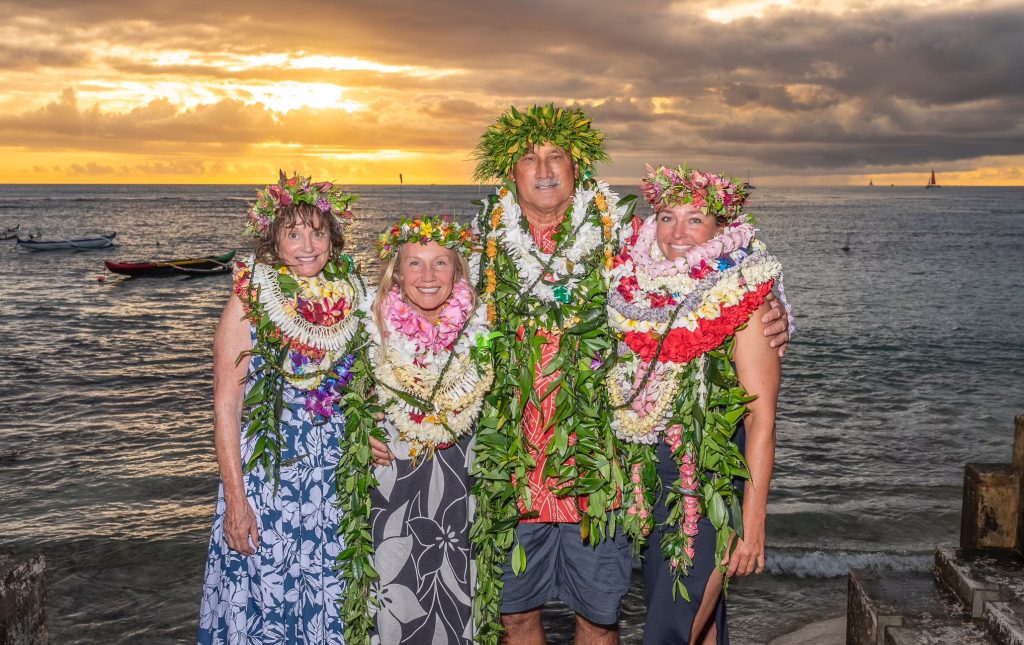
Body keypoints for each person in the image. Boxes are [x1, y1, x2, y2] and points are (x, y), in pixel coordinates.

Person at [468, 105, 791, 645]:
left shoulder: (622, 236)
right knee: (514, 616)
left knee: (604, 617)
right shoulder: (479, 248)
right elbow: (419, 321)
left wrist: (775, 306)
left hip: (605, 471)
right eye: (529, 157)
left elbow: (719, 256)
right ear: (511, 172)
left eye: (557, 157)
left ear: (579, 169)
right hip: (515, 466)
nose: (544, 169)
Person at [606, 164, 784, 644]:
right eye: (667, 217)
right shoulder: (634, 291)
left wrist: (752, 522)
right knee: (701, 632)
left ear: (722, 229)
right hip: (653, 489)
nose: (677, 233)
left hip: (709, 495)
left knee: (668, 631)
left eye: (695, 219)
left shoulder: (746, 301)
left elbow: (761, 418)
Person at [198, 172, 374, 644]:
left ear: (333, 237)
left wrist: (373, 431)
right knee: (269, 597)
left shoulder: (352, 297)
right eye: (293, 233)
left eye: (317, 232)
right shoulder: (250, 301)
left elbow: (369, 386)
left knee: (335, 598)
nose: (307, 245)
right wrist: (237, 502)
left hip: (336, 481)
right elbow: (226, 408)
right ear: (273, 240)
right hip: (269, 481)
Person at [364, 217, 493, 644]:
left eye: (440, 263)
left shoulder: (483, 327)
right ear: (397, 272)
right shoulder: (371, 326)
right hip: (394, 489)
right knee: (395, 596)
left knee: (461, 596)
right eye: (415, 264)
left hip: (461, 487)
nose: (427, 276)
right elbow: (338, 398)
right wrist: (360, 429)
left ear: (457, 271)